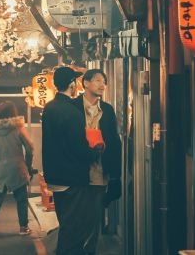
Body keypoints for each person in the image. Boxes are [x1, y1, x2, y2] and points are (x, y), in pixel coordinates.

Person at [42, 66, 100, 255]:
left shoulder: (50, 108)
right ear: (71, 84)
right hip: (72, 177)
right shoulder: (72, 112)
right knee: (74, 228)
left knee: (66, 222)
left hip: (55, 176)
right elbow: (79, 148)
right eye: (75, 81)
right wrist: (95, 152)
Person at [73, 69, 122, 255]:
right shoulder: (73, 107)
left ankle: (89, 251)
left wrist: (116, 175)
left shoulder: (107, 110)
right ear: (85, 83)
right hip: (77, 171)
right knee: (77, 215)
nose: (103, 85)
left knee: (95, 217)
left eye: (105, 81)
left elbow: (114, 142)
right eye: (98, 80)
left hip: (100, 170)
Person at [0, 101, 33, 237]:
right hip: (17, 168)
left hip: (0, 168)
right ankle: (23, 227)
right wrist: (28, 164)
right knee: (21, 198)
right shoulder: (18, 127)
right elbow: (30, 148)